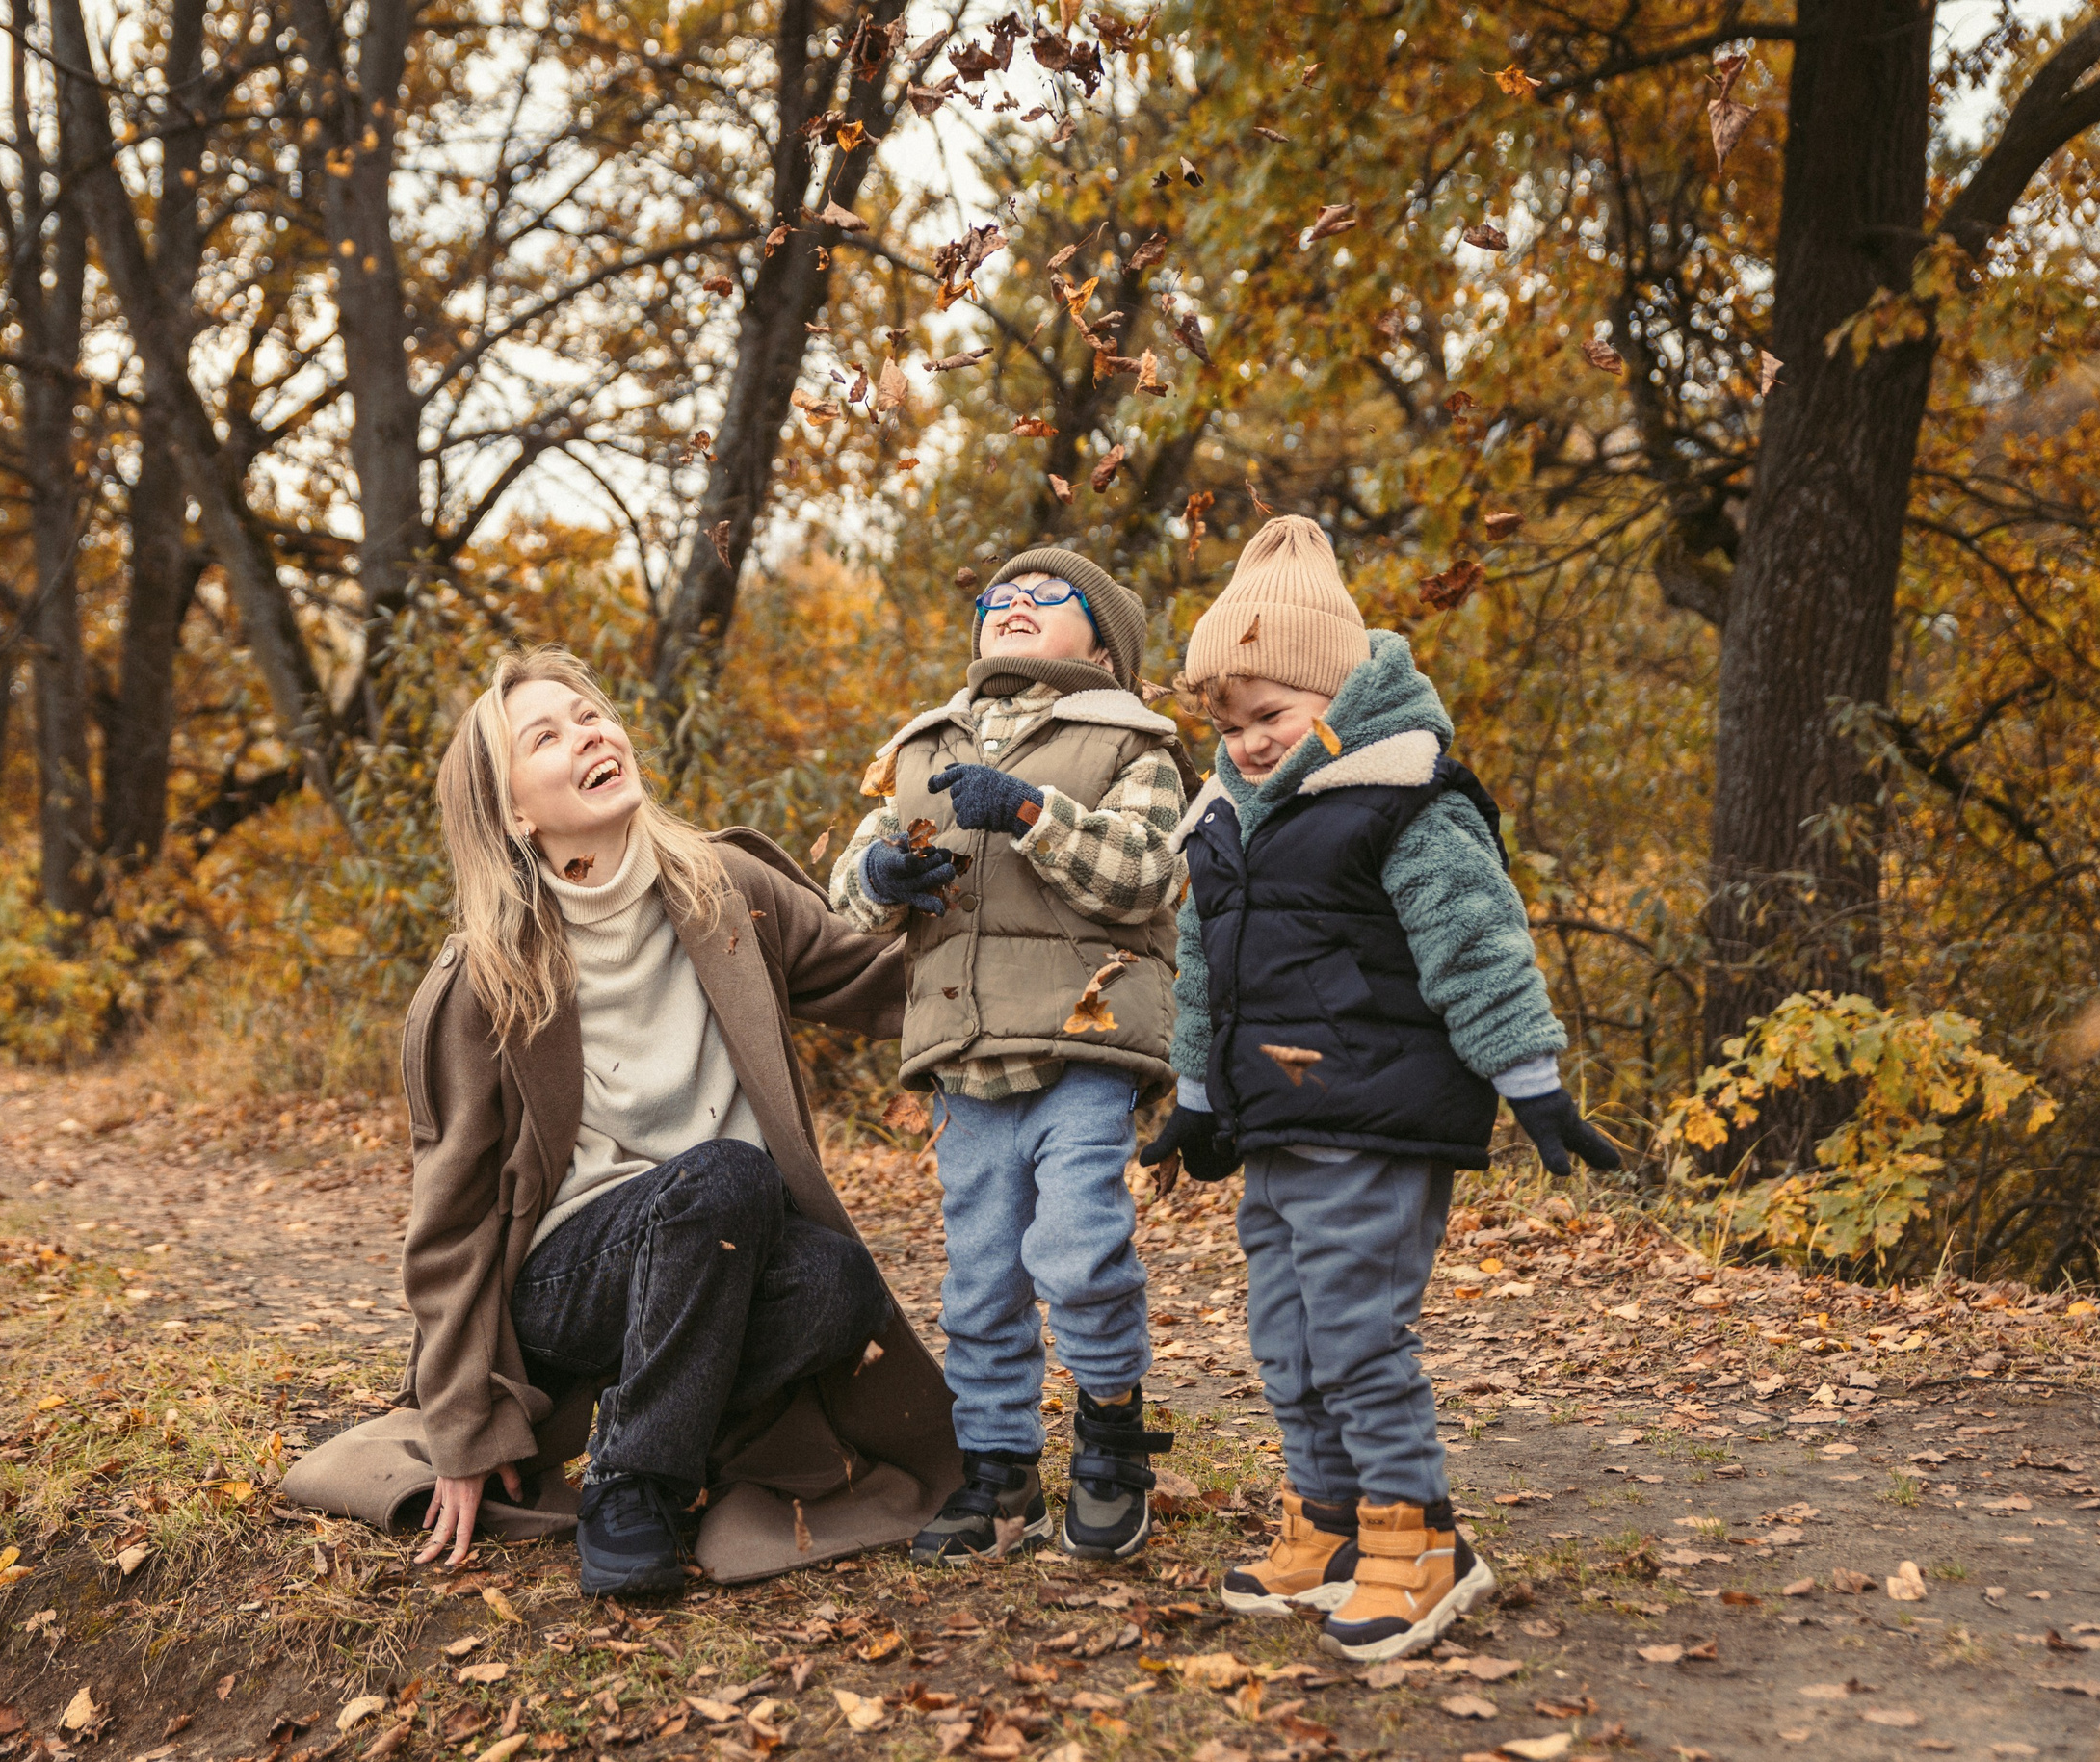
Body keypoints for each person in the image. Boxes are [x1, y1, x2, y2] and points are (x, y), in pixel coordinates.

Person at [278, 647, 960, 1596]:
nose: (590, 731)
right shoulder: (483, 978)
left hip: (726, 1241)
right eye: (546, 735)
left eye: (591, 713)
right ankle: (630, 1483)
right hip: (573, 1280)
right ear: (515, 810)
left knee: (837, 1280)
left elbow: (874, 978)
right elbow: (451, 1222)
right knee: (725, 1174)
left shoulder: (728, 890)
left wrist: (1020, 969)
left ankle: (646, 1425)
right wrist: (466, 1426)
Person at [1142, 516, 1622, 1661]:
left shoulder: (1405, 796)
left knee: (1356, 1332)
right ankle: (1331, 1521)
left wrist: (1531, 1081)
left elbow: (1476, 941)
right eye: (1227, 723)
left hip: (1381, 1115)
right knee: (1287, 1333)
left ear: (1335, 693)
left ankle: (1422, 1538)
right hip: (1280, 1123)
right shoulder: (1220, 822)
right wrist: (1199, 1097)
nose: (1247, 743)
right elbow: (1204, 971)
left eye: (1270, 716)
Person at [829, 547, 1196, 1563]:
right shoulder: (920, 746)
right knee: (980, 1277)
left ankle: (1113, 1433)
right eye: (1000, 595)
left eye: (1048, 596)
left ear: (1105, 639)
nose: (1015, 605)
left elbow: (1147, 876)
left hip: (1081, 1044)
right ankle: (997, 1475)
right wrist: (884, 870)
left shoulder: (1133, 742)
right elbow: (844, 903)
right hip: (963, 1050)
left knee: (1077, 1251)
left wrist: (1033, 811)